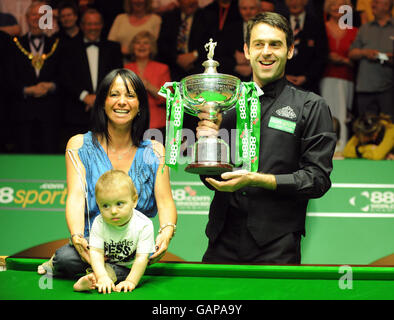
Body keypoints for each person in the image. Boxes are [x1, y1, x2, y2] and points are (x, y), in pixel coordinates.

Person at [196, 12, 336, 264]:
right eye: (259, 44)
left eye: (276, 44)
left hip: (277, 246)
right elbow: (211, 179)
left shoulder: (311, 106)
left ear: (290, 51)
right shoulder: (225, 106)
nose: (267, 52)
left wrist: (258, 180)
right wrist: (207, 145)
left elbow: (317, 180)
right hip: (221, 241)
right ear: (247, 51)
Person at [37, 68, 177, 277]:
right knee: (68, 259)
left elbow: (165, 201)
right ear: (102, 102)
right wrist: (77, 237)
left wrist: (166, 232)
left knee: (142, 257)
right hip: (94, 245)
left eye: (130, 95)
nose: (122, 102)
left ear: (140, 105)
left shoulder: (155, 151)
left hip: (134, 249)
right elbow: (75, 198)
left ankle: (102, 272)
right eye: (114, 94)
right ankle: (104, 271)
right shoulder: (78, 145)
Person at [73, 169, 155, 293]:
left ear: (134, 201)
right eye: (105, 205)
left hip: (123, 266)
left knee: (113, 273)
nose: (113, 211)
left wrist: (131, 281)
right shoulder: (99, 222)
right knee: (66, 257)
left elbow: (141, 259)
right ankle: (53, 263)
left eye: (119, 204)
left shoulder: (145, 225)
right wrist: (102, 276)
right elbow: (95, 253)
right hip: (98, 257)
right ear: (98, 204)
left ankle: (90, 280)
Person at [59, 8, 123, 148]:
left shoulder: (113, 48)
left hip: (107, 114)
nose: (93, 28)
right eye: (89, 24)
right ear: (82, 26)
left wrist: (99, 98)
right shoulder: (67, 48)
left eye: (96, 24)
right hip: (76, 113)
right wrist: (84, 96)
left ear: (102, 25)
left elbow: (117, 77)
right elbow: (64, 77)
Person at [8, 1, 62, 153]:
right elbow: (8, 76)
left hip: (50, 115)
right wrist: (26, 89)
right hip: (22, 114)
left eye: (42, 15)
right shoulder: (14, 44)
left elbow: (65, 75)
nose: (37, 18)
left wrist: (51, 86)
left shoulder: (57, 44)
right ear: (26, 18)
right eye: (34, 14)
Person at [319, 0, 358, 153]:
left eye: (341, 4)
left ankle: (341, 148)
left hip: (347, 78)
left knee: (344, 114)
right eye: (333, 4)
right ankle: (325, 149)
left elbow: (357, 57)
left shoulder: (354, 31)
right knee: (325, 113)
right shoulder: (321, 28)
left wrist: (345, 60)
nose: (337, 8)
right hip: (325, 77)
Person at [348, 0, 393, 119]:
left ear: (387, 5)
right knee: (365, 129)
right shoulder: (364, 28)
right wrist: (364, 53)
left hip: (388, 89)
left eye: (377, 2)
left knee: (388, 129)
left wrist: (386, 57)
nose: (373, 4)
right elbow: (351, 53)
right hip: (365, 88)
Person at [124, 31, 170, 142]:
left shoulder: (162, 68)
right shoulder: (126, 69)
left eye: (146, 43)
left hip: (157, 124)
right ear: (133, 47)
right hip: (131, 124)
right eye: (138, 43)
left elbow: (168, 98)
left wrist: (148, 86)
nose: (141, 46)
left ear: (152, 47)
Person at [283, 0, 328, 94]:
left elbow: (322, 55)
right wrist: (283, 76)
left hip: (310, 86)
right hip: (282, 85)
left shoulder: (317, 23)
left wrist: (307, 77)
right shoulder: (278, 23)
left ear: (305, 2)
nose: (293, 3)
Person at [233, 0, 261, 81]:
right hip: (237, 79)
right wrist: (235, 65)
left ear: (259, 9)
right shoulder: (230, 29)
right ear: (239, 9)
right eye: (244, 8)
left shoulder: (266, 28)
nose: (248, 12)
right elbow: (221, 56)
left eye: (252, 8)